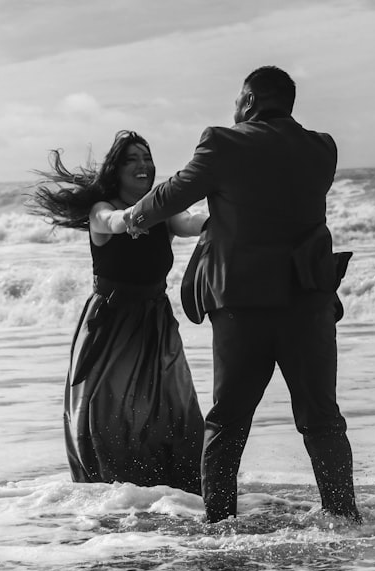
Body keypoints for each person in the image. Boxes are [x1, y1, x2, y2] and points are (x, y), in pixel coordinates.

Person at [123, 66, 361, 523]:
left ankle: (220, 525)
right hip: (308, 305)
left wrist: (137, 215)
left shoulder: (224, 143)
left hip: (242, 309)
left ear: (249, 100)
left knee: (227, 422)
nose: (233, 108)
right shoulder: (322, 149)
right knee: (322, 420)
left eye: (237, 100)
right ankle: (344, 519)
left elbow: (175, 192)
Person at [30, 130, 208, 494]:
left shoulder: (163, 207)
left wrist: (229, 219)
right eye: (132, 160)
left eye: (147, 158)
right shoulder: (102, 209)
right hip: (110, 325)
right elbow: (112, 221)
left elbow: (189, 224)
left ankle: (178, 494)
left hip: (155, 322)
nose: (143, 165)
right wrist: (133, 218)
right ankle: (115, 498)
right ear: (117, 169)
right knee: (108, 416)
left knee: (172, 409)